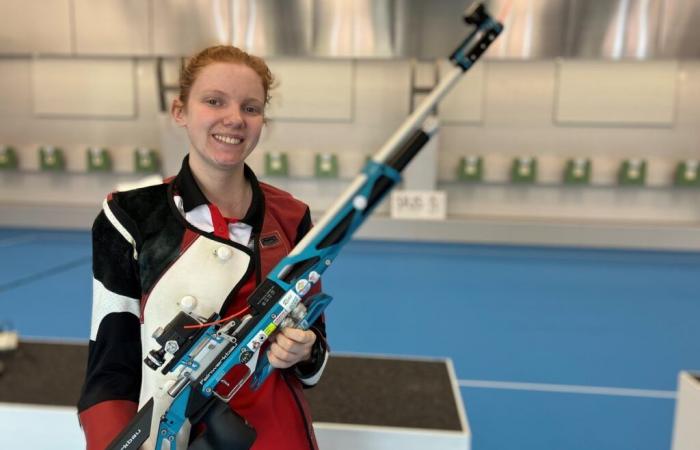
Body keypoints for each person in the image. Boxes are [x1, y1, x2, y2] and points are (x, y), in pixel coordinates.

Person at [77, 45, 329, 450]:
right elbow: (110, 368)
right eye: (214, 101)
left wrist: (306, 351)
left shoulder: (292, 217)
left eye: (251, 107)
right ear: (181, 111)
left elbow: (314, 349)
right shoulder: (130, 216)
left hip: (280, 436)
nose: (234, 119)